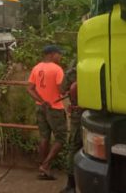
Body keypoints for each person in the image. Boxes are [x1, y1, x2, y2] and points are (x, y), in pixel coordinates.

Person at [27, 45, 67, 181]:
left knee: (44, 137)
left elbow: (30, 89)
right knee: (61, 138)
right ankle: (45, 165)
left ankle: (45, 170)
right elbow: (61, 90)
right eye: (58, 54)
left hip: (40, 107)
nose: (60, 56)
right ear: (51, 54)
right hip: (55, 108)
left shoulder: (36, 68)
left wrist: (41, 101)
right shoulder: (57, 69)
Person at [59, 55, 81, 193]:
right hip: (102, 114)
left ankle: (71, 185)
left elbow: (62, 90)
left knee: (74, 146)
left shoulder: (74, 70)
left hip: (78, 113)